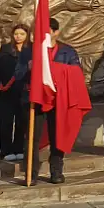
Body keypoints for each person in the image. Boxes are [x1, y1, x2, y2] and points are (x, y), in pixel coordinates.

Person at [37, 19, 81, 184]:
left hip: (59, 101)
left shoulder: (68, 52)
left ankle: (56, 171)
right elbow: (19, 73)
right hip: (38, 99)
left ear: (56, 32)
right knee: (34, 138)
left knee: (57, 137)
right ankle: (32, 172)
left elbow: (76, 73)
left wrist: (55, 70)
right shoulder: (33, 51)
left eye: (48, 31)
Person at [0, 25, 31, 162]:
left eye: (22, 34)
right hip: (7, 91)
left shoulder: (30, 50)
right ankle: (5, 150)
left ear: (27, 35)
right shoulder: (6, 49)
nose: (18, 36)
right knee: (5, 121)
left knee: (21, 121)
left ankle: (18, 148)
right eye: (16, 34)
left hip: (23, 91)